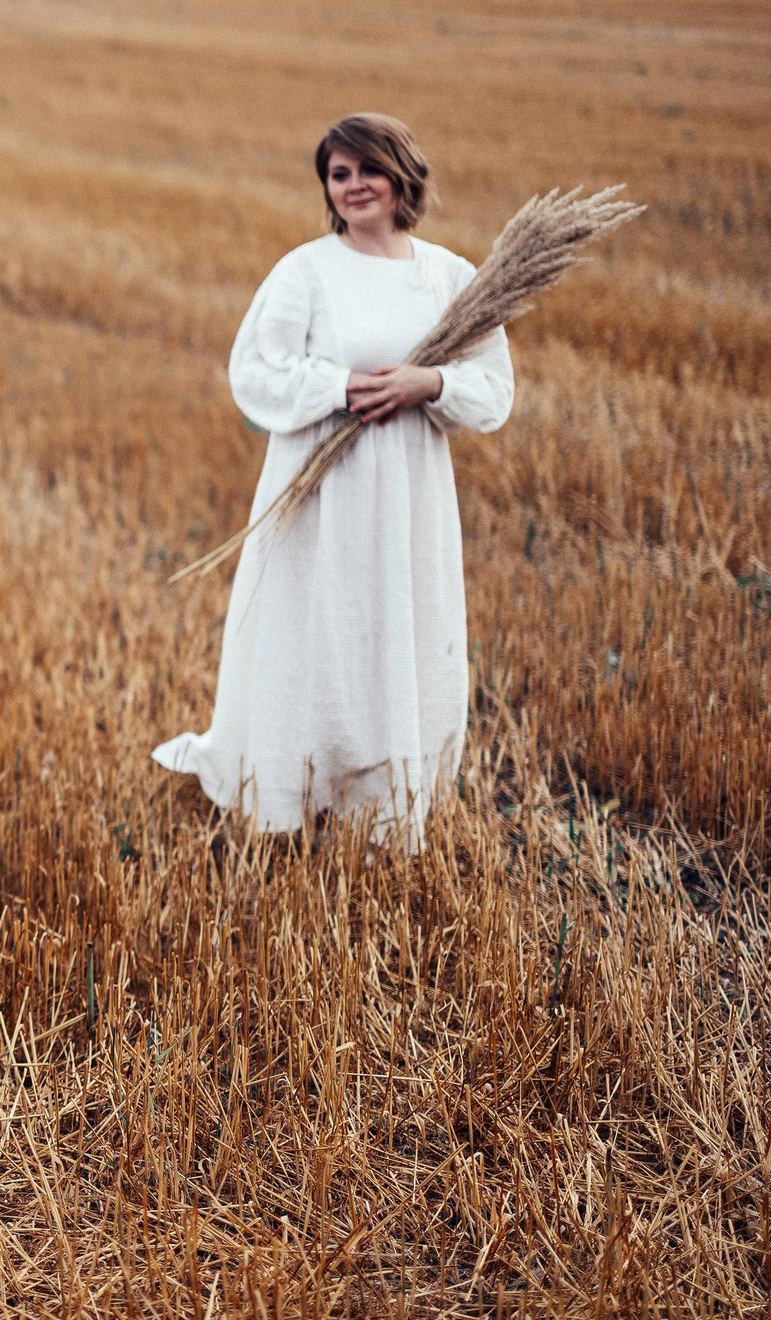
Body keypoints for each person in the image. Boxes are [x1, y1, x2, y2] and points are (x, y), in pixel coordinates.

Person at [155, 113, 515, 845]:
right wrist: (340, 386)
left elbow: (494, 392)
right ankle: (293, 791)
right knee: (315, 634)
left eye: (367, 170)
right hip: (322, 493)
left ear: (400, 174)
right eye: (338, 174)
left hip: (408, 496)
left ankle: (383, 807)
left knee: (394, 631)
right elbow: (255, 371)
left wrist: (430, 382)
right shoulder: (307, 271)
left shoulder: (450, 277)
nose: (353, 186)